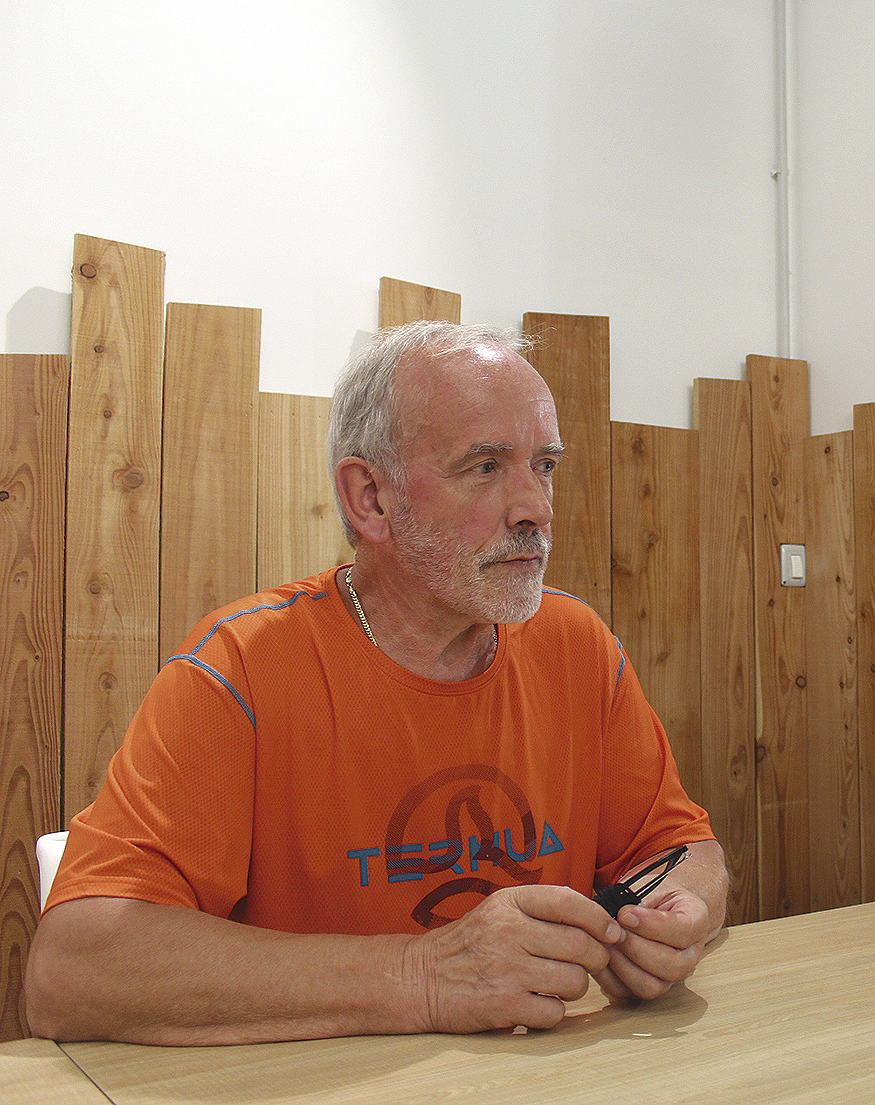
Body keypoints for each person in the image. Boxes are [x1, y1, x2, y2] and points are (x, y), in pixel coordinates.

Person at [25, 322, 727, 1045]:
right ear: (370, 498)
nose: (535, 508)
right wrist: (425, 977)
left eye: (543, 465)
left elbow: (679, 849)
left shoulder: (575, 645)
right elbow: (73, 969)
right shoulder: (241, 670)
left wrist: (678, 915)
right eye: (485, 467)